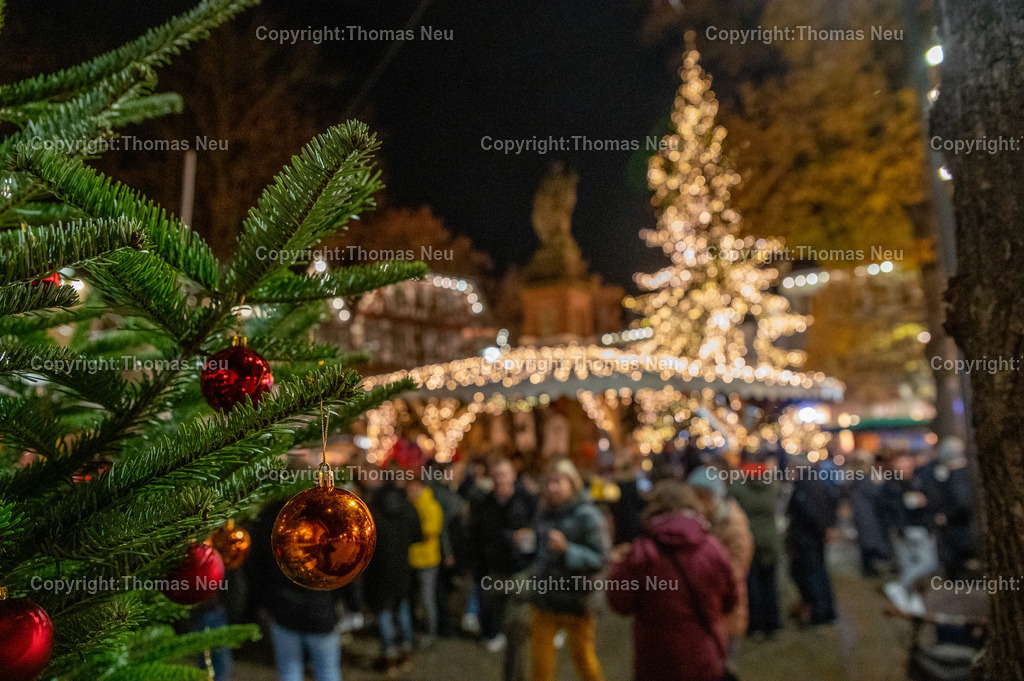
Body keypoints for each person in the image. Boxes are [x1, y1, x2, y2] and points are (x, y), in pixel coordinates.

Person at [608, 480, 738, 681]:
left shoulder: (642, 553)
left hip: (656, 661)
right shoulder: (712, 548)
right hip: (704, 658)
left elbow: (619, 602)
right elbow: (731, 599)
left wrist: (617, 566)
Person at [526, 459, 609, 681]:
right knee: (540, 662)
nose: (552, 488)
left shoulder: (588, 515)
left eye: (558, 482)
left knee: (583, 657)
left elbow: (601, 557)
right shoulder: (543, 512)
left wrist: (568, 550)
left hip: (577, 600)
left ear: (572, 483)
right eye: (549, 482)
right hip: (545, 597)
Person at [246, 500, 344, 681]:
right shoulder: (323, 517)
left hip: (286, 609)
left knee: (290, 671)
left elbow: (257, 568)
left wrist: (266, 602)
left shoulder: (271, 518)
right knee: (326, 671)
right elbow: (340, 569)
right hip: (317, 610)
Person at [471, 459, 537, 680]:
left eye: (504, 474)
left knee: (517, 629)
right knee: (505, 629)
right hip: (494, 573)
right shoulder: (485, 503)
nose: (500, 479)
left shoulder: (526, 501)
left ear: (513, 476)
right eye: (496, 475)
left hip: (519, 573)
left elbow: (535, 532)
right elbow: (478, 537)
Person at [686, 464, 754, 640]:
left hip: (726, 614)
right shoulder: (704, 522)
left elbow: (734, 573)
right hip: (707, 612)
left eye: (703, 496)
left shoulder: (733, 527)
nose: (698, 503)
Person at [364, 477, 423, 672]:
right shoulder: (407, 509)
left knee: (384, 613)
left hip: (379, 572)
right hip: (402, 570)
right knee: (403, 608)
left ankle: (388, 655)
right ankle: (405, 651)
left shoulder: (374, 513)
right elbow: (418, 535)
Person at [728, 454, 783, 637]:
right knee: (770, 584)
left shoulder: (738, 488)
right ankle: (772, 623)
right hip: (770, 540)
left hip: (748, 540)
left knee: (752, 585)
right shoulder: (772, 486)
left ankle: (756, 625)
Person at [786, 461, 838, 626]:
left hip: (807, 538)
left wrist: (821, 529)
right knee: (819, 572)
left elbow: (809, 512)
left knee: (811, 575)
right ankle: (826, 611)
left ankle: (818, 612)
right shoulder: (816, 482)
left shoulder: (804, 485)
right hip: (814, 537)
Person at [929, 437, 977, 579]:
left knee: (959, 569)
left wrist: (946, 516)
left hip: (960, 532)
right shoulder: (963, 474)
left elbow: (961, 502)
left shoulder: (957, 478)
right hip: (961, 531)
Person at [407, 474, 444, 646]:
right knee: (415, 599)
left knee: (427, 598)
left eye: (414, 488)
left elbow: (430, 531)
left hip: (427, 560)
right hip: (413, 559)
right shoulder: (411, 505)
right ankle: (417, 630)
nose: (411, 492)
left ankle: (431, 632)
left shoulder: (430, 506)